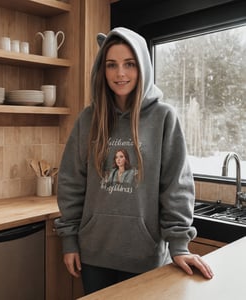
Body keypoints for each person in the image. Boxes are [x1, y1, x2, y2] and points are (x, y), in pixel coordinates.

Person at [54, 27, 213, 295]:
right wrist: (69, 240)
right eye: (111, 65)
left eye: (129, 64)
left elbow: (175, 185)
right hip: (93, 255)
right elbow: (71, 181)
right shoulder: (88, 119)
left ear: (142, 67)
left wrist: (179, 245)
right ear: (101, 71)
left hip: (146, 257)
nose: (120, 74)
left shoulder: (164, 117)